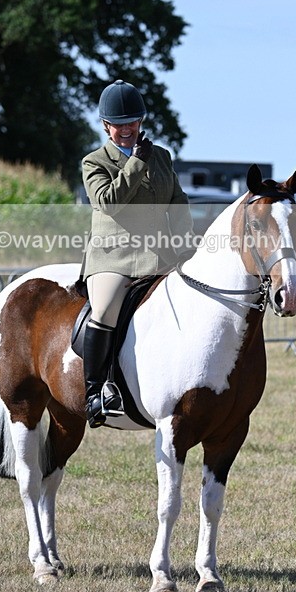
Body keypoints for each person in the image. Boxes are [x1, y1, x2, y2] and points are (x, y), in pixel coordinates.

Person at [81, 79, 194, 428]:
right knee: (106, 307)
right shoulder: (94, 162)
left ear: (141, 121)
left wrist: (185, 244)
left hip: (160, 255)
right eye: (119, 124)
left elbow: (176, 201)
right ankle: (95, 391)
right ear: (105, 125)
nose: (127, 129)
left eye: (133, 121)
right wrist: (136, 164)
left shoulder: (161, 156)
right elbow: (109, 203)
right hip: (113, 257)